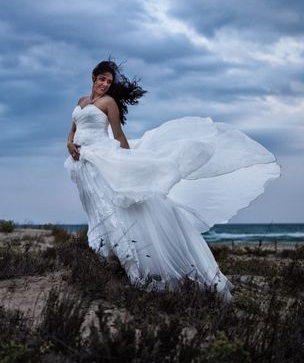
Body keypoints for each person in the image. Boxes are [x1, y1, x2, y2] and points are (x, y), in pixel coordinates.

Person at [65, 59, 281, 301]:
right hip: (82, 163)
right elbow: (73, 129)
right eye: (102, 79)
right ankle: (106, 256)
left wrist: (130, 165)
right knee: (96, 208)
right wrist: (69, 143)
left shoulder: (109, 103)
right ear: (93, 77)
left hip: (101, 157)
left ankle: (134, 265)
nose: (105, 84)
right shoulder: (82, 102)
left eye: (109, 81)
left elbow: (117, 134)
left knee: (114, 206)